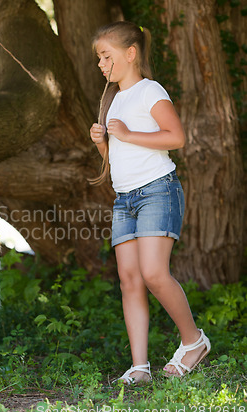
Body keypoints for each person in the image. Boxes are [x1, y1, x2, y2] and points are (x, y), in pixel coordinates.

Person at [89, 21, 210, 384]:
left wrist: (126, 132)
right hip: (124, 198)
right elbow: (116, 156)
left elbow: (176, 137)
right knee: (129, 279)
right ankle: (139, 366)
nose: (100, 64)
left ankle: (194, 341)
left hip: (157, 190)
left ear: (130, 54)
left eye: (105, 56)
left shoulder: (149, 91)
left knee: (154, 273)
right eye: (98, 58)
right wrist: (102, 142)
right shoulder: (112, 100)